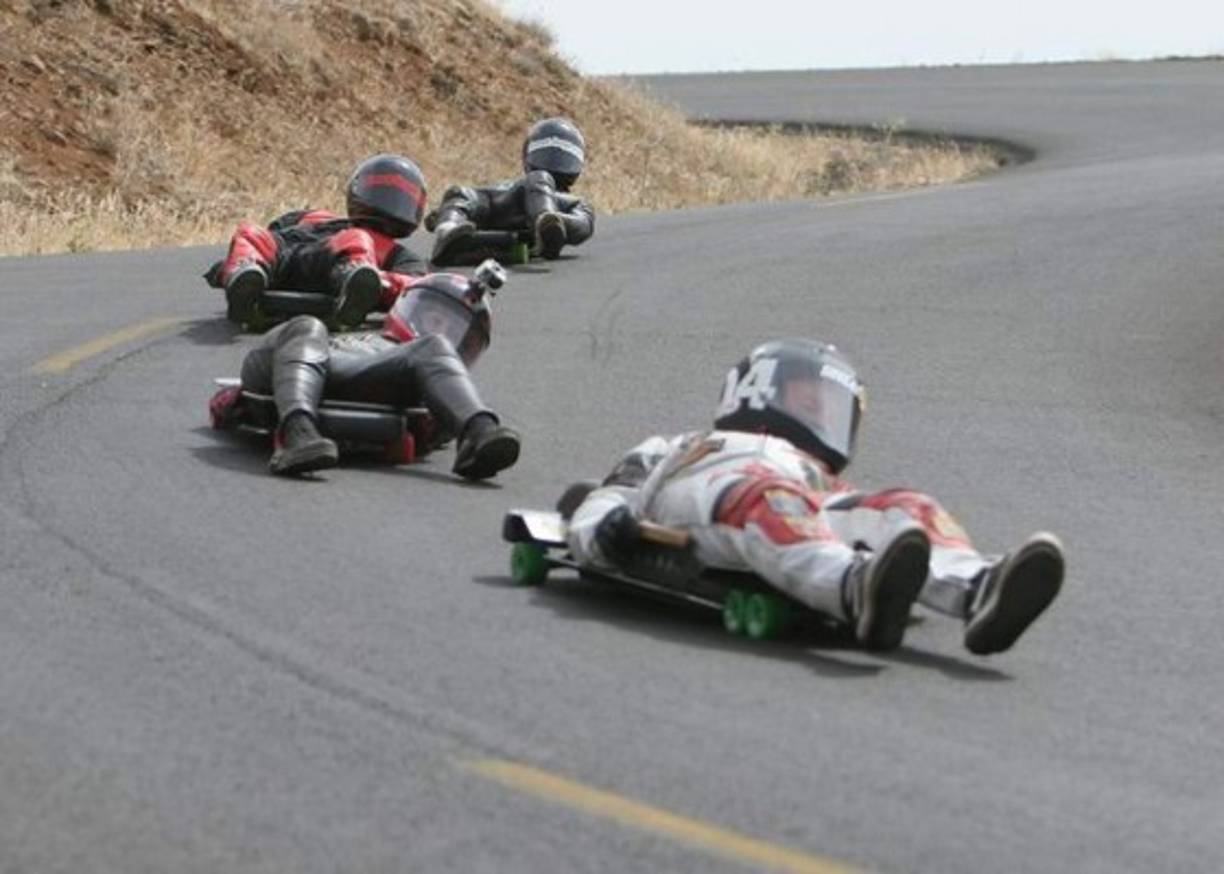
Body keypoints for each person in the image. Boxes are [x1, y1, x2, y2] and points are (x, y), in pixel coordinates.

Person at [566, 339, 1065, 654]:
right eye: (814, 399)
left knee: (906, 506)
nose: (827, 416)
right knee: (774, 500)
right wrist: (603, 532)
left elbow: (842, 508)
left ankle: (979, 588)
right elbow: (608, 497)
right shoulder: (679, 447)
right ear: (761, 388)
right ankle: (853, 587)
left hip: (804, 499)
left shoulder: (817, 471)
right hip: (712, 495)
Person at [228, 270, 520, 480]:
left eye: (455, 333)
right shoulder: (356, 337)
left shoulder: (430, 358)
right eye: (432, 318)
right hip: (290, 362)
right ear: (408, 308)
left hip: (386, 382)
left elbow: (433, 426)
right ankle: (297, 431)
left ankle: (479, 434)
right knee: (308, 325)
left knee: (434, 347)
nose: (437, 332)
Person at [204, 154, 430, 327]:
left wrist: (380, 282)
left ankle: (355, 281)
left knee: (356, 239)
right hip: (286, 258)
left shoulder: (397, 253)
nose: (387, 200)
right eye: (382, 190)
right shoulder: (314, 216)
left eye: (395, 195)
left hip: (330, 269)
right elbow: (273, 232)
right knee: (250, 232)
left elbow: (418, 288)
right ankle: (246, 275)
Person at [426, 117, 595, 265]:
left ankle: (548, 225)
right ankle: (448, 231)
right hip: (504, 204)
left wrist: (558, 222)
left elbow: (582, 225)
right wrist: (445, 211)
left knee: (461, 195)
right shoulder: (518, 186)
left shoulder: (574, 201)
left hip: (545, 213)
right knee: (460, 192)